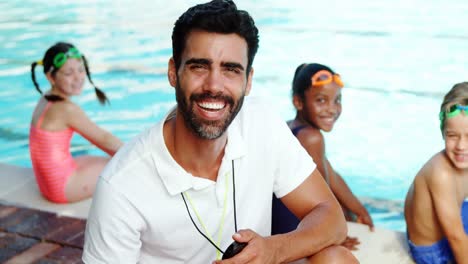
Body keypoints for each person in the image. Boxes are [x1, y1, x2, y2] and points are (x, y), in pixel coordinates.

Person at [82, 1, 358, 263]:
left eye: (230, 69)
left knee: (336, 259)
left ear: (248, 81)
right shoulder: (121, 185)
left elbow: (331, 219)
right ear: (173, 72)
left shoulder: (260, 123)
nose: (214, 85)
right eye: (199, 66)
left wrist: (275, 249)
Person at [271, 63, 374, 250]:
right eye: (321, 100)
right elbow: (323, 194)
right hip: (293, 228)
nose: (332, 109)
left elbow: (330, 174)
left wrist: (358, 209)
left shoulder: (290, 128)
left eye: (337, 100)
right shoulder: (312, 138)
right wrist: (338, 232)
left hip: (276, 222)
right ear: (298, 102)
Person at [29, 42, 123, 204]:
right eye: (68, 73)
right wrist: (138, 157)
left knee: (109, 159)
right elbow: (104, 139)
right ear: (51, 77)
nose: (78, 77)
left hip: (46, 185)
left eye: (80, 70)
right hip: (61, 189)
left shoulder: (46, 99)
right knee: (123, 168)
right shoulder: (66, 109)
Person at [404, 82, 468, 264]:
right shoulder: (441, 173)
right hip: (433, 251)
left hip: (453, 221)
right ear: (443, 133)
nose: (461, 146)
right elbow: (456, 238)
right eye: (452, 135)